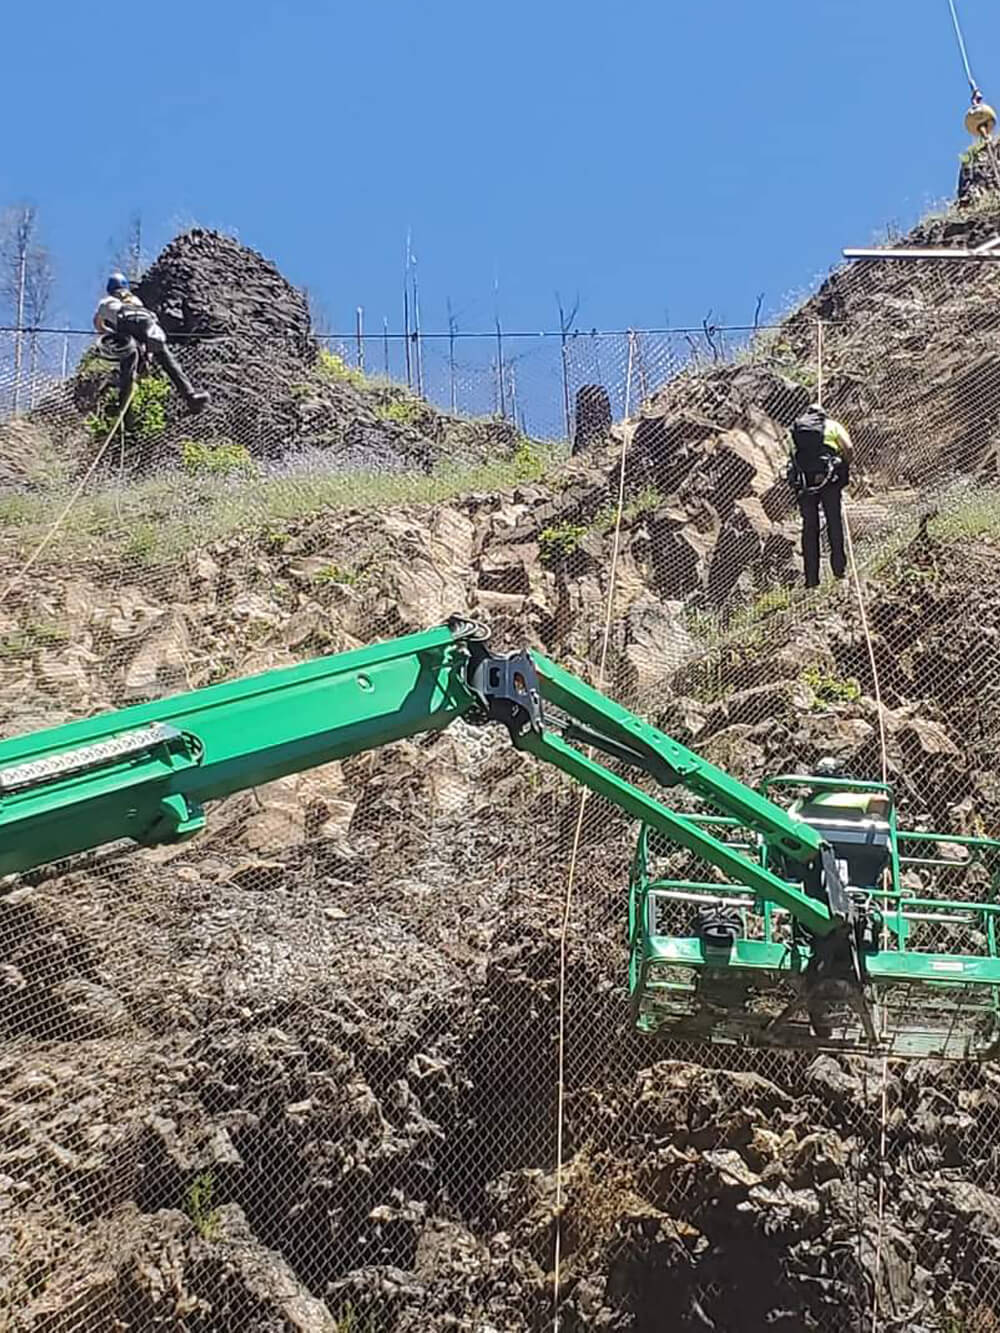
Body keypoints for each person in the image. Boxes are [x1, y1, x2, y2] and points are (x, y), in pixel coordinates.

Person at [93, 273, 210, 415]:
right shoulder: (134, 300)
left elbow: (98, 324)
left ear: (110, 289)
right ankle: (190, 395)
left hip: (125, 323)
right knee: (166, 359)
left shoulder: (106, 301)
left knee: (129, 363)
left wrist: (109, 333)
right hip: (148, 321)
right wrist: (148, 352)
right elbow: (141, 329)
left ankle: (122, 405)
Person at [787, 403, 853, 589]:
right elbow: (848, 447)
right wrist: (844, 467)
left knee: (810, 529)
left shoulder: (795, 430)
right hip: (829, 480)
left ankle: (811, 581)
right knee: (834, 523)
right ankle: (839, 572)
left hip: (806, 484)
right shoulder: (832, 426)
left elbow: (791, 457)